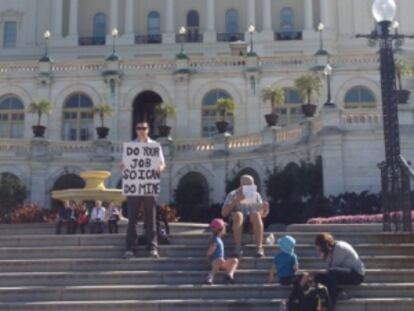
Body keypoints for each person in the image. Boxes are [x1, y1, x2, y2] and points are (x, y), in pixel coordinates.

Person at [123, 121, 166, 259]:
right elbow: (124, 164)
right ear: (136, 130)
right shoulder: (131, 146)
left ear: (148, 130)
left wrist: (159, 169)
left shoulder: (155, 146)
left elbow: (162, 164)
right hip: (135, 184)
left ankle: (152, 247)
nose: (141, 130)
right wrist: (123, 166)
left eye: (144, 128)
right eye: (138, 128)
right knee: (132, 218)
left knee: (151, 217)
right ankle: (130, 247)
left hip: (149, 184)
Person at [221, 175, 270, 257]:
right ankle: (238, 248)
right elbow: (224, 213)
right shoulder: (233, 194)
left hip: (250, 222)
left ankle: (259, 247)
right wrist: (236, 201)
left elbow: (262, 215)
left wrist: (265, 209)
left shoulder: (256, 195)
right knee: (238, 214)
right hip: (236, 222)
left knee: (256, 214)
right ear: (241, 185)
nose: (251, 187)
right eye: (249, 185)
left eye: (252, 184)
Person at [314, 232, 365, 308]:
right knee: (318, 277)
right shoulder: (334, 248)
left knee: (331, 276)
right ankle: (339, 291)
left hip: (356, 275)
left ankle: (331, 305)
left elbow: (332, 268)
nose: (318, 250)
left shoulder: (339, 248)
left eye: (319, 247)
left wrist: (324, 256)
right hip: (345, 272)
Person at [205, 218, 239, 285]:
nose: (225, 229)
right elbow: (209, 252)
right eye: (224, 228)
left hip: (221, 261)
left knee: (235, 260)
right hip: (214, 262)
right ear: (220, 229)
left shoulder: (219, 239)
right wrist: (209, 253)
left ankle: (229, 275)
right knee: (220, 260)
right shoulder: (214, 239)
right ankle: (210, 276)